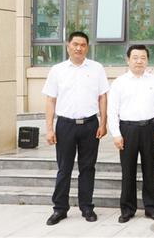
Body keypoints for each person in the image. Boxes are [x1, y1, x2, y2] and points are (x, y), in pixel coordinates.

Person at [42, 31, 109, 225]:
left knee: (88, 168)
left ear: (87, 47)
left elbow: (103, 97)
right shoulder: (57, 70)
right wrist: (49, 129)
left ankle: (86, 207)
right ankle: (60, 209)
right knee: (64, 168)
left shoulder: (96, 68)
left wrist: (103, 123)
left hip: (90, 125)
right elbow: (50, 100)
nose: (79, 48)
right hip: (65, 125)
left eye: (83, 45)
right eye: (75, 44)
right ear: (68, 46)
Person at [108, 44, 154, 223]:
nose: (139, 61)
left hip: (149, 128)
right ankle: (127, 209)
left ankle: (152, 208)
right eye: (135, 57)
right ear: (128, 60)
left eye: (143, 58)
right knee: (128, 171)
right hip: (127, 130)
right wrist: (116, 134)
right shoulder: (119, 82)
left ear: (147, 60)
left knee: (150, 169)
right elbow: (112, 110)